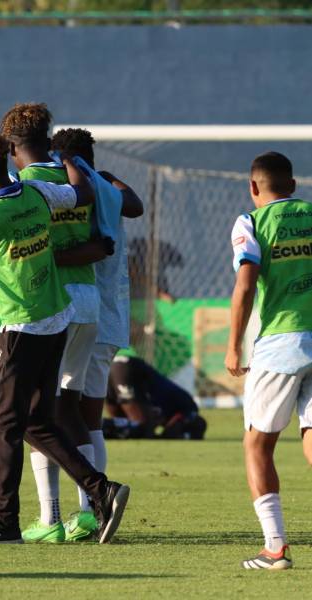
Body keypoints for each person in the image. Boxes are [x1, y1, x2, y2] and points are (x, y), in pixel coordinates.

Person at [0, 132, 130, 544]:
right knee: (35, 420)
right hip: (56, 320)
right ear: (5, 161)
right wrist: (71, 159)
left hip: (21, 327)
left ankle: (4, 520)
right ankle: (100, 489)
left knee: (2, 425)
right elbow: (82, 193)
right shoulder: (36, 192)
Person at [50, 127, 145, 538]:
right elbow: (136, 205)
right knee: (90, 419)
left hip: (74, 307)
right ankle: (98, 506)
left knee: (53, 412)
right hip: (108, 316)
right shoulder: (106, 185)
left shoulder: (69, 188)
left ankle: (86, 509)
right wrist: (104, 173)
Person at [225, 151, 312, 570]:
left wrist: (233, 344)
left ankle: (275, 548)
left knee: (257, 444)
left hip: (281, 344)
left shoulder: (250, 222)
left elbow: (245, 286)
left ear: (254, 187)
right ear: (293, 186)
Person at [103, 356, 206, 440]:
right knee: (143, 429)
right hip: (125, 369)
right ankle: (97, 430)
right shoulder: (188, 407)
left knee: (124, 425)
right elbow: (169, 433)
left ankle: (96, 430)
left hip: (116, 366)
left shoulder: (177, 406)